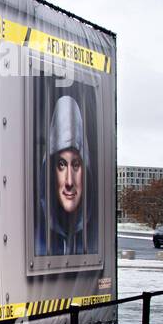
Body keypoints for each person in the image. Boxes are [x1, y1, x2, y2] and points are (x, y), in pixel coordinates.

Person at [36, 95, 92, 255]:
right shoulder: (37, 241)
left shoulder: (92, 241)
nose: (69, 181)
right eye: (61, 165)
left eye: (76, 165)